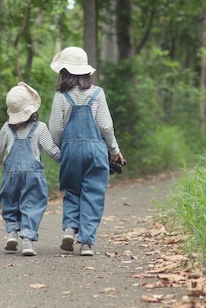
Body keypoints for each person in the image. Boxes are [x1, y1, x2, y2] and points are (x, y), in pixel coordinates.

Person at [48, 46, 125, 256]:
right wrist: (114, 150)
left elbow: (55, 128)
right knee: (93, 194)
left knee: (72, 190)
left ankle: (70, 230)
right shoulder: (97, 93)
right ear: (85, 71)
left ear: (64, 72)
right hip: (96, 150)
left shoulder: (61, 97)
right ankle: (86, 243)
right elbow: (106, 126)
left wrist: (60, 151)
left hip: (70, 150)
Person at [0, 81, 61, 256]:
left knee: (10, 202)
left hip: (10, 174)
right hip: (33, 175)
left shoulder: (7, 128)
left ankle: (12, 234)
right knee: (32, 205)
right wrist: (63, 158)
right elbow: (51, 150)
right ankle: (28, 241)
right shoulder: (40, 128)